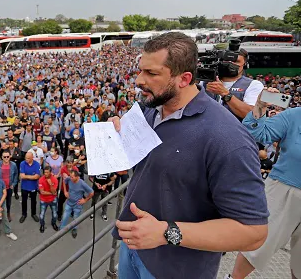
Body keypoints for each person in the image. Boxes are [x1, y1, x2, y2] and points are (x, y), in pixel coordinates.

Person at [109, 32, 268, 279]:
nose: (139, 80)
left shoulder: (227, 138)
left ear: (184, 79)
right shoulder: (151, 110)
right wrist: (117, 141)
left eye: (151, 73)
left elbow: (253, 232)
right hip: (133, 250)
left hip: (177, 269)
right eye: (140, 71)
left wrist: (165, 232)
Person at [230, 90, 301, 279]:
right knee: (259, 243)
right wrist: (260, 106)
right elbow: (258, 132)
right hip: (282, 190)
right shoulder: (295, 115)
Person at [203, 47, 264, 120]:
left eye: (236, 61)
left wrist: (225, 93)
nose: (230, 64)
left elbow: (251, 115)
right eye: (227, 60)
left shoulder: (254, 85)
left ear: (245, 65)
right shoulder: (204, 81)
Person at [60, 170, 93, 238]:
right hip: (69, 202)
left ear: (77, 177)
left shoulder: (82, 183)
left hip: (77, 205)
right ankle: (62, 229)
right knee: (65, 216)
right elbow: (64, 181)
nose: (70, 178)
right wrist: (65, 191)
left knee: (76, 218)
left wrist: (85, 200)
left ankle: (74, 229)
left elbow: (91, 192)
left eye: (72, 177)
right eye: (70, 176)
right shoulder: (69, 179)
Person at [0, 151, 18, 220]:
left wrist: (14, 184)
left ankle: (8, 213)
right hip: (0, 188)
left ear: (10, 156)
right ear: (2, 157)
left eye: (8, 156)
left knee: (8, 202)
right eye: (5, 157)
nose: (6, 158)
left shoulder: (13, 165)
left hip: (9, 187)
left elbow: (16, 174)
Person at [19, 152, 41, 224]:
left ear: (32, 158)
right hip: (24, 187)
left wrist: (26, 176)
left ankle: (33, 214)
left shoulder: (37, 164)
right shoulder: (22, 163)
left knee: (33, 201)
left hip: (33, 187)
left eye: (28, 158)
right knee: (24, 201)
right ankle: (24, 214)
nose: (26, 159)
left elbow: (37, 176)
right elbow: (22, 176)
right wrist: (32, 177)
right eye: (25, 158)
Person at [38, 166, 59, 233]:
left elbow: (54, 192)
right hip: (44, 200)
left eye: (47, 172)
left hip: (53, 199)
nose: (45, 174)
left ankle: (53, 223)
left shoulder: (55, 180)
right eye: (44, 172)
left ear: (50, 172)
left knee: (55, 214)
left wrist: (50, 184)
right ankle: (42, 225)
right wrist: (52, 193)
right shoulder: (41, 179)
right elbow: (42, 192)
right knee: (41, 215)